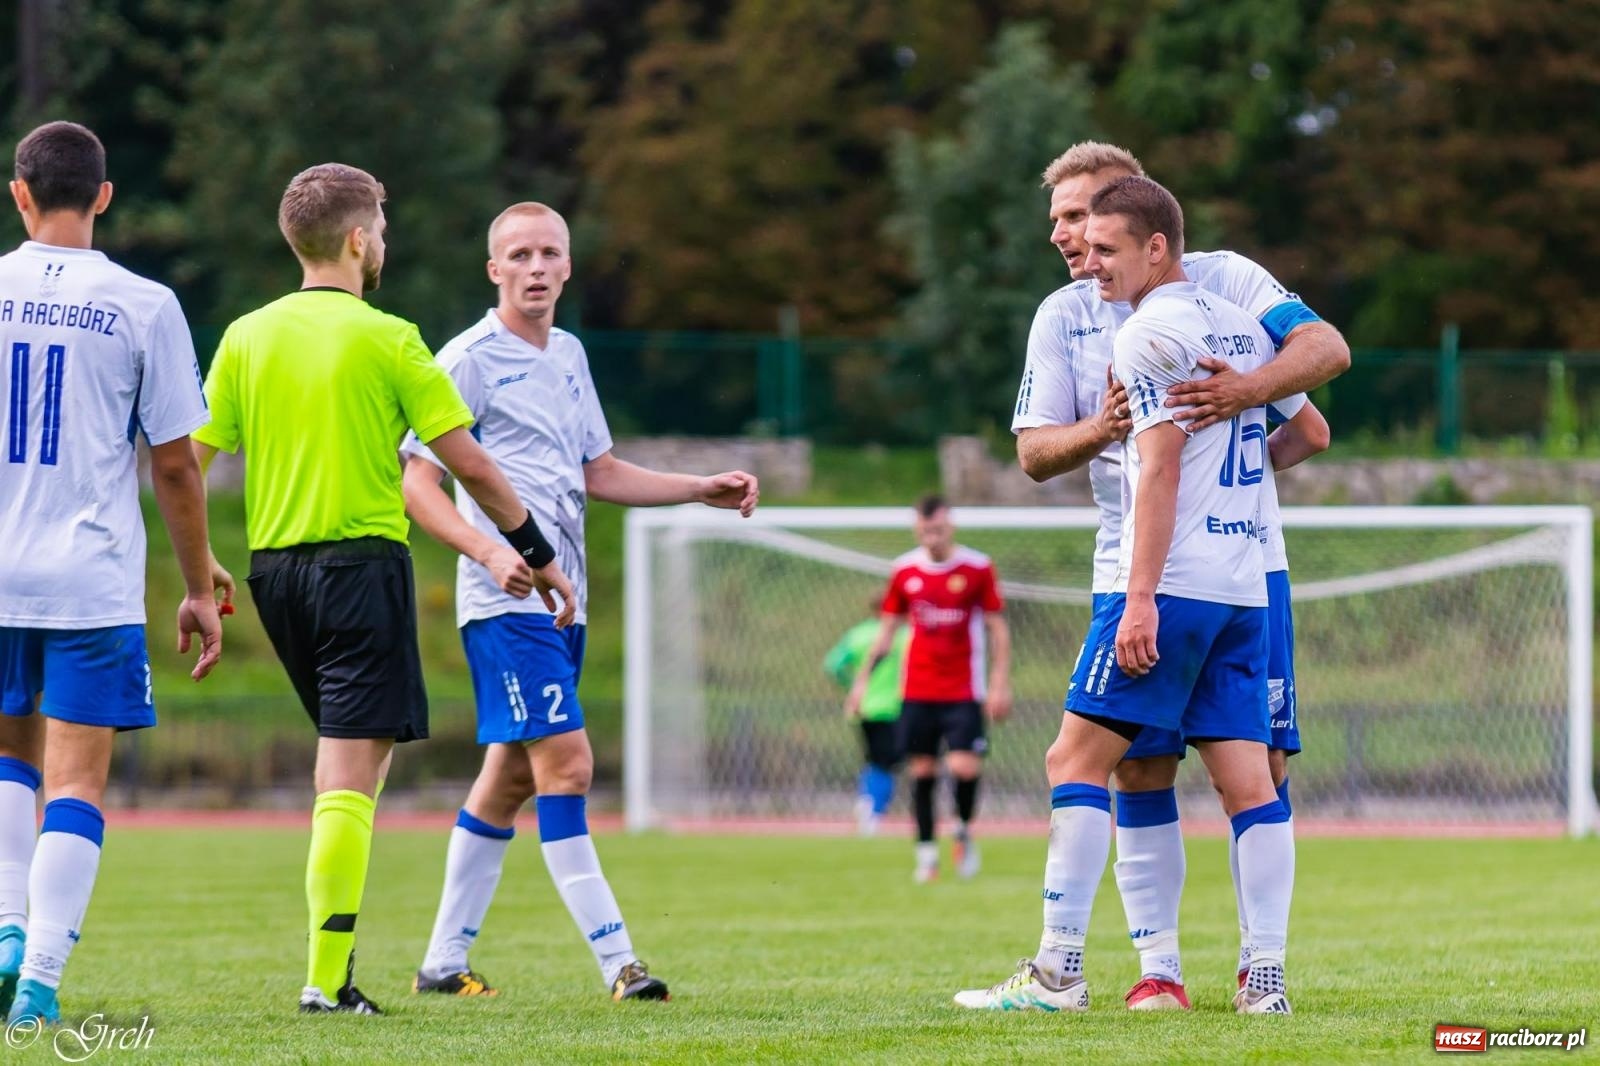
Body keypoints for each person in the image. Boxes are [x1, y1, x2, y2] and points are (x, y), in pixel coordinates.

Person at [191, 167, 577, 1015]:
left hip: (274, 576)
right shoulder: (390, 337)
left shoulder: (245, 336)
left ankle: (330, 974)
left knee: (342, 775)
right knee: (348, 784)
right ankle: (326, 983)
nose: (385, 248)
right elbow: (470, 461)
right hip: (360, 572)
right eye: (382, 234)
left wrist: (198, 568)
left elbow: (189, 461)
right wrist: (536, 550)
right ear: (359, 240)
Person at [404, 201, 758, 1003]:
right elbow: (418, 485)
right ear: (493, 269)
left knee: (509, 781)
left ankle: (441, 963)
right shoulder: (464, 359)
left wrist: (696, 489)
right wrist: (492, 552)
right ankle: (619, 963)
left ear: (568, 266)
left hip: (568, 602)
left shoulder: (568, 354)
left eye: (548, 253)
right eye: (519, 254)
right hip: (504, 603)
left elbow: (599, 472)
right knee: (568, 764)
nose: (535, 267)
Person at [958, 176, 1297, 1014]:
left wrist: (1140, 597)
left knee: (1073, 761)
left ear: (1156, 245)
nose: (1087, 261)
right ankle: (1264, 982)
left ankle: (1056, 974)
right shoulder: (1241, 323)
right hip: (1243, 586)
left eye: (1103, 245)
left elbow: (1157, 473)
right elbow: (1312, 431)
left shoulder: (1148, 333)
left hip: (1166, 585)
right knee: (1249, 783)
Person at [0, 121, 224, 1026]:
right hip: (90, 580)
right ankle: (42, 986)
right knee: (77, 783)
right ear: (103, 196)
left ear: (20, 193)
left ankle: (7, 930)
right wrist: (199, 583)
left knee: (7, 763)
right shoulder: (145, 304)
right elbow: (174, 464)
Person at [847, 496, 1011, 882]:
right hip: (918, 688)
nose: (931, 538)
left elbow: (997, 629)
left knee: (964, 767)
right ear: (916, 529)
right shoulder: (904, 571)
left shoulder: (977, 568)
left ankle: (963, 831)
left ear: (949, 526)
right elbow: (886, 632)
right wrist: (860, 684)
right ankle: (925, 855)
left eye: (937, 530)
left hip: (963, 689)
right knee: (922, 771)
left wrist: (1000, 683)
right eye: (924, 531)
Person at [825, 602, 909, 836]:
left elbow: (832, 665)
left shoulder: (858, 634)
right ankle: (872, 808)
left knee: (875, 759)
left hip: (864, 707)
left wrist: (852, 686)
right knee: (889, 762)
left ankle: (869, 803)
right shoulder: (905, 636)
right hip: (896, 707)